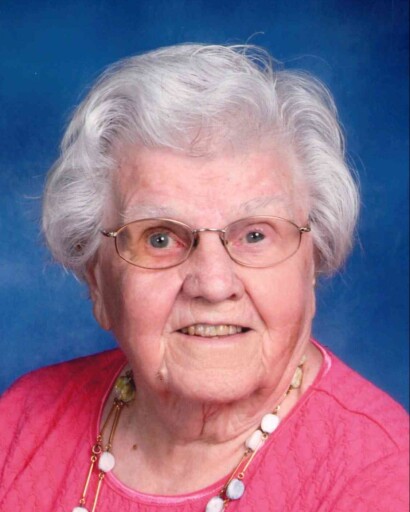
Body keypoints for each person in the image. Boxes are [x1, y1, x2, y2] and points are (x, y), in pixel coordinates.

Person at [0, 44, 408, 512]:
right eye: (159, 238)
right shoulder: (21, 423)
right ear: (97, 282)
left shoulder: (381, 476)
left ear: (310, 264)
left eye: (255, 234)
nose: (213, 284)